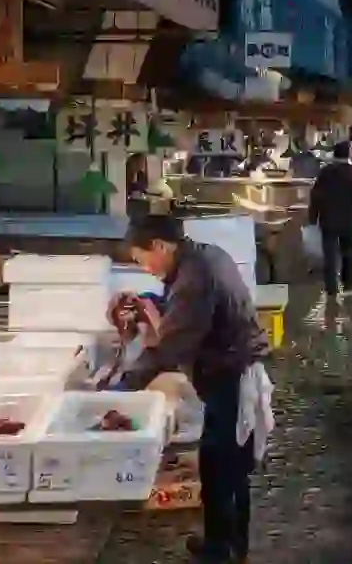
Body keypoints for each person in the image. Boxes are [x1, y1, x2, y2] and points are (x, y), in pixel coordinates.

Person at [116, 215, 270, 564]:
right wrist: (153, 304)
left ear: (160, 246)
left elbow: (170, 347)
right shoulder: (201, 257)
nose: (145, 268)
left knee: (222, 465)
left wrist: (123, 389)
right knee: (225, 464)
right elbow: (183, 315)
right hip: (229, 369)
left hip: (230, 376)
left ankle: (225, 550)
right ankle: (226, 542)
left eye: (142, 259)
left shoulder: (194, 277)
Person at [308, 141, 352, 296]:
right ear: (348, 154)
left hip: (328, 220)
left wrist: (313, 217)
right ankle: (348, 284)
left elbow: (315, 195)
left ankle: (331, 288)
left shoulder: (325, 172)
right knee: (348, 252)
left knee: (329, 255)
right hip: (348, 219)